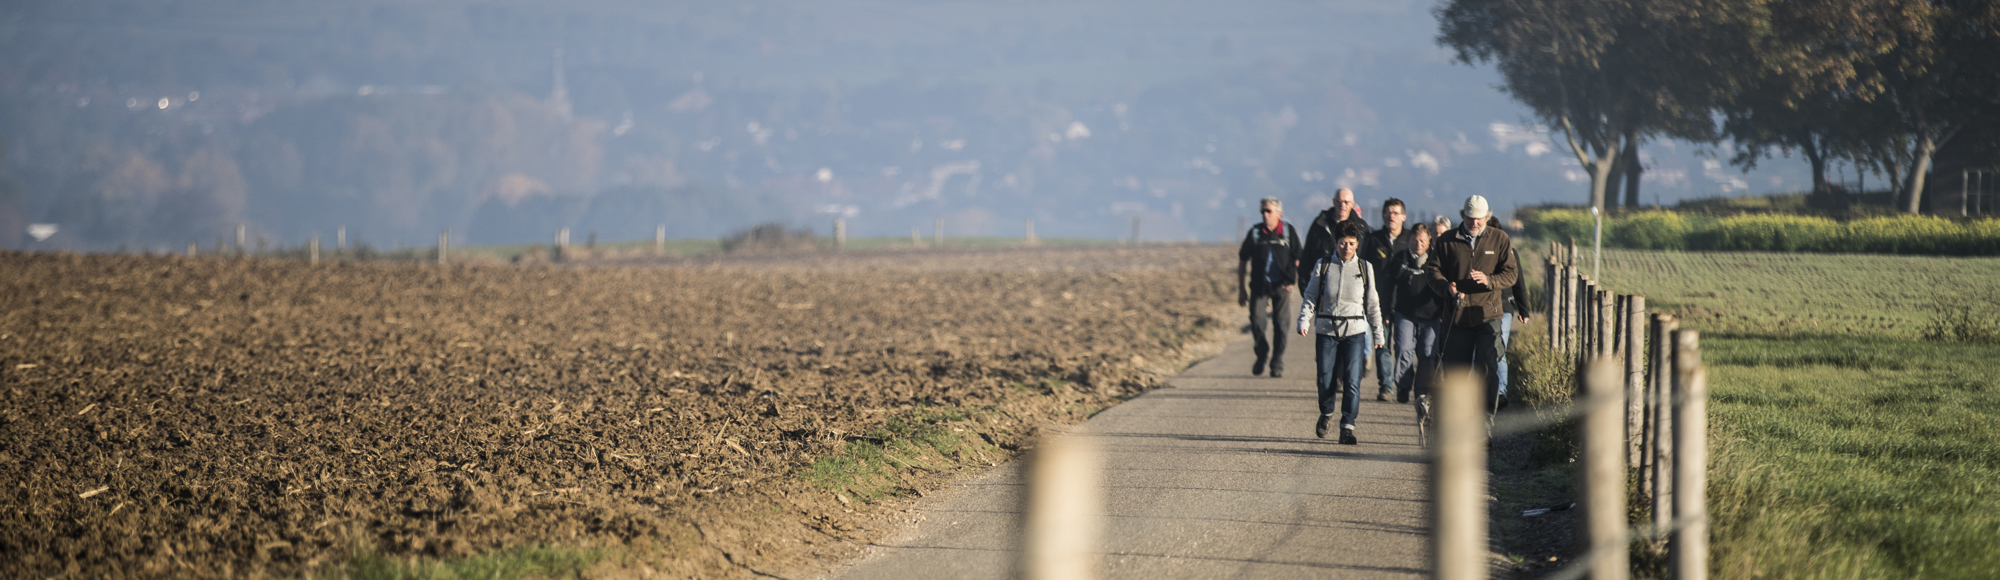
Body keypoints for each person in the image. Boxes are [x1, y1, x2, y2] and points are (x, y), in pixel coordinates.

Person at [1425, 195, 1517, 413]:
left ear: (1487, 217)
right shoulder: (1446, 240)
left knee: (1488, 369)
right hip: (1457, 317)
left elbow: (1511, 273)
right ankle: (1458, 422)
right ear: (1462, 215)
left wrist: (1490, 281)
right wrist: (1446, 287)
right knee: (1456, 374)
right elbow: (1432, 271)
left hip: (1488, 315)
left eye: (1479, 219)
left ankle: (1485, 424)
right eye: (1469, 218)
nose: (1474, 223)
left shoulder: (1500, 239)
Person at [1297, 223, 1385, 445]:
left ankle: (1347, 426)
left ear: (1358, 244)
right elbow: (1310, 295)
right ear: (1335, 243)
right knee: (1325, 379)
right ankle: (1326, 412)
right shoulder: (1324, 265)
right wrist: (1304, 320)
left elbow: (1373, 304)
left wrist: (1378, 334)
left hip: (1355, 332)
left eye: (1352, 244)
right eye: (1343, 243)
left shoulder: (1365, 268)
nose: (1347, 247)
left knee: (1352, 380)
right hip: (1327, 330)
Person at [1237, 198, 1301, 378]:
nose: (1265, 215)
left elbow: (1298, 257)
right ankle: (1262, 352)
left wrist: (1292, 279)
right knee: (1257, 320)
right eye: (1263, 212)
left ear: (1279, 214)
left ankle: (1277, 361)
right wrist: (1242, 289)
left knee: (1281, 323)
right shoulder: (1256, 233)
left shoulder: (1287, 232)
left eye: (1269, 211)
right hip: (1259, 285)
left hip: (1282, 285)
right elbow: (1243, 260)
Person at [1388, 223, 1445, 404]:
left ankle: (1422, 392)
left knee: (1427, 354)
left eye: (1422, 240)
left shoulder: (1437, 261)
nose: (1418, 244)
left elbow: (1444, 288)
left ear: (1429, 240)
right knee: (1403, 349)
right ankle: (1404, 386)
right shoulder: (1399, 259)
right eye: (1415, 240)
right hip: (1404, 314)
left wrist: (1444, 311)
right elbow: (1388, 287)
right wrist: (1388, 311)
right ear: (1409, 240)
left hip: (1432, 316)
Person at [1363, 199, 1409, 401]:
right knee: (1382, 345)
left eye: (1396, 213)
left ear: (1403, 217)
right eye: (1388, 212)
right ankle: (1386, 387)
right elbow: (1363, 269)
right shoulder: (1373, 239)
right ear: (1382, 216)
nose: (1392, 216)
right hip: (1379, 302)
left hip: (1406, 304)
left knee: (1403, 347)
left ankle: (1404, 384)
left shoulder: (1410, 239)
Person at [1296, 188, 1370, 289]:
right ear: (1334, 202)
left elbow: (1367, 259)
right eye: (1339, 202)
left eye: (1346, 202)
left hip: (1351, 287)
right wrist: (1305, 288)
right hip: (1322, 286)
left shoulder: (1361, 227)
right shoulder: (1320, 225)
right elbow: (1306, 258)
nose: (1342, 206)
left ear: (1352, 203)